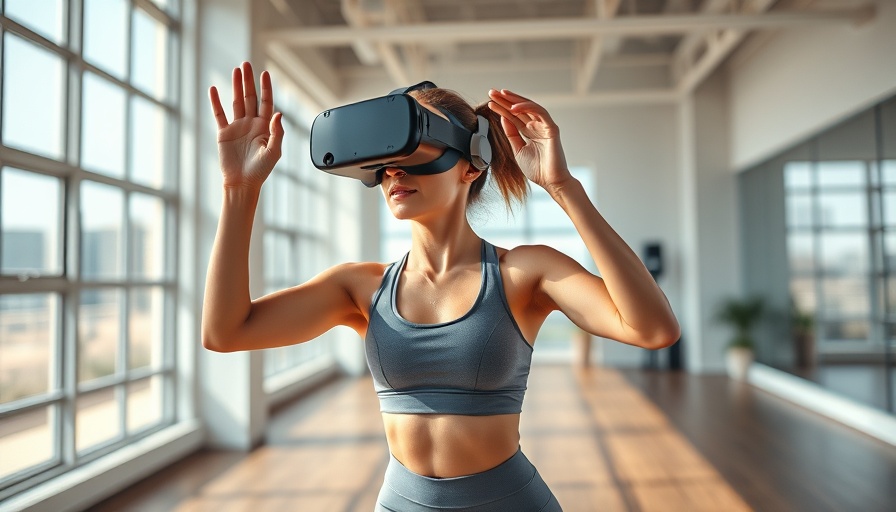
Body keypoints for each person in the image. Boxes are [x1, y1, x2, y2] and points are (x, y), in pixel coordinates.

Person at [202, 61, 680, 511]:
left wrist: (562, 187)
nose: (394, 170)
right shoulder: (360, 288)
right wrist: (238, 191)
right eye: (386, 158)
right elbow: (227, 332)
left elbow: (652, 330)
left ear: (471, 164)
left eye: (412, 150)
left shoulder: (524, 274)